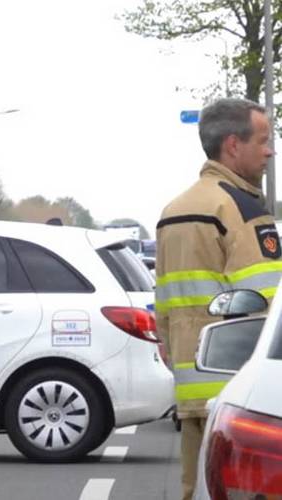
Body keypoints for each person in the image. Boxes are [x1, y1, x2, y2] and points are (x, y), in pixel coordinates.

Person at [156, 97, 282, 499]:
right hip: (239, 387)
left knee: (196, 488)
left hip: (191, 382)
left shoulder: (173, 211)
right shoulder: (242, 210)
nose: (270, 151)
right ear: (232, 144)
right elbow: (270, 301)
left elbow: (163, 305)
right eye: (263, 140)